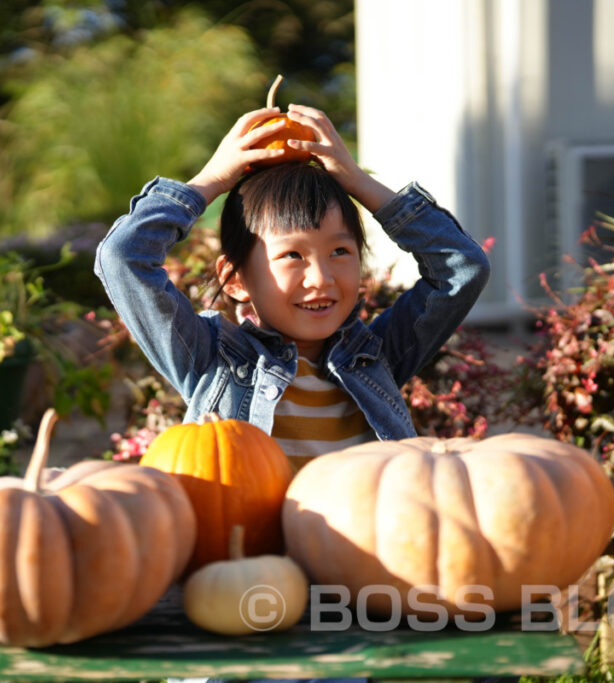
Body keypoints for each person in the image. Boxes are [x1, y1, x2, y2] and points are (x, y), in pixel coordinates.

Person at [94, 104, 490, 458]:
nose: (321, 278)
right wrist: (211, 180)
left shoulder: (378, 356)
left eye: (339, 252)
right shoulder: (211, 359)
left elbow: (461, 267)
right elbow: (122, 258)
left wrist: (355, 181)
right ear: (234, 280)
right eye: (292, 256)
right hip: (250, 541)